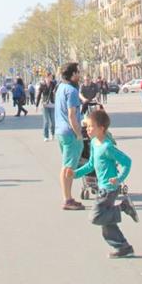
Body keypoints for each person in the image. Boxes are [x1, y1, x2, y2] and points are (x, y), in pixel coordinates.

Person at [73, 107, 138, 257]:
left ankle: (123, 207)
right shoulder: (94, 143)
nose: (88, 130)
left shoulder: (107, 147)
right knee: (106, 222)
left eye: (91, 127)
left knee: (96, 216)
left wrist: (120, 178)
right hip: (102, 187)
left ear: (101, 129)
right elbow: (90, 165)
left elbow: (127, 162)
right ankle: (123, 247)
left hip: (109, 188)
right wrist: (76, 174)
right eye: (87, 126)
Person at [55, 62, 85, 210]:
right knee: (68, 167)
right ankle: (67, 199)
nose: (79, 75)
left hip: (60, 131)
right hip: (70, 132)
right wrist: (78, 133)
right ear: (73, 74)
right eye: (78, 72)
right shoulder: (71, 91)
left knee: (67, 165)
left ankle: (68, 197)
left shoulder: (60, 88)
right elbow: (72, 114)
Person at [36, 71, 56, 141]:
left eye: (51, 77)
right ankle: (46, 136)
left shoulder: (53, 84)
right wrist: (37, 105)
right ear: (46, 77)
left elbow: (57, 90)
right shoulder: (42, 85)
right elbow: (38, 95)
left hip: (52, 105)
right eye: (49, 77)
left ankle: (53, 133)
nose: (50, 78)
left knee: (53, 121)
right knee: (46, 121)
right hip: (44, 105)